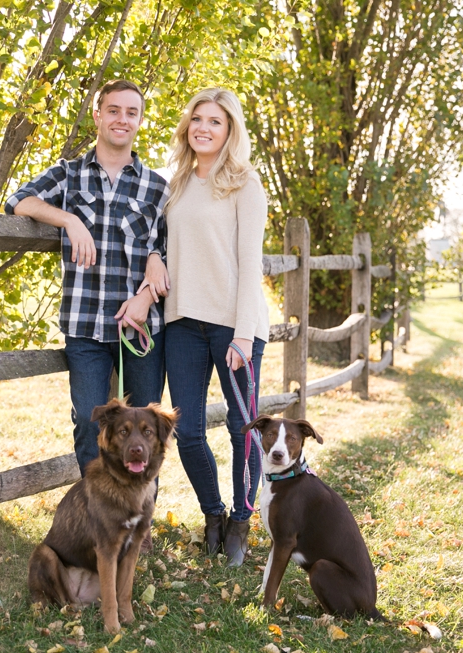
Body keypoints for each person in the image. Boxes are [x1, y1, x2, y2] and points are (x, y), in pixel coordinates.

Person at [5, 80, 169, 478]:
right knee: (88, 425)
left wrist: (147, 292)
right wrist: (69, 219)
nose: (122, 119)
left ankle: (139, 523)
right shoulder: (69, 174)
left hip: (141, 327)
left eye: (132, 112)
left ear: (140, 120)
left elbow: (166, 250)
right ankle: (102, 516)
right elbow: (17, 201)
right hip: (86, 325)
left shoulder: (157, 187)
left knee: (149, 432)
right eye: (113, 110)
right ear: (98, 115)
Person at [156, 88, 270, 566]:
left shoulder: (245, 183)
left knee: (244, 430)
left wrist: (243, 332)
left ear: (230, 131)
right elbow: (156, 241)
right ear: (187, 126)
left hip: (233, 325)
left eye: (215, 121)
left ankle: (242, 521)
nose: (203, 127)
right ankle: (213, 515)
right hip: (182, 322)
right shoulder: (174, 183)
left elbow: (249, 262)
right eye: (197, 118)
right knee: (188, 431)